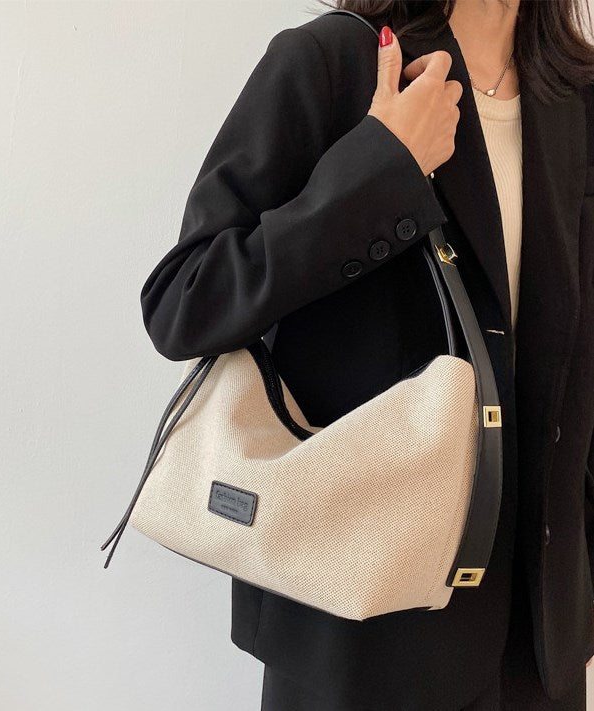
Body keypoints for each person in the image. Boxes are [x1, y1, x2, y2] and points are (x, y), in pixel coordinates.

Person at [140, 0, 594, 708]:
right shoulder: (333, 64)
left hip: (536, 647)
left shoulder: (575, 99)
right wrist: (381, 167)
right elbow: (185, 301)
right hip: (360, 638)